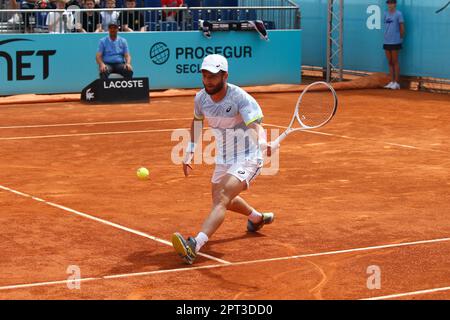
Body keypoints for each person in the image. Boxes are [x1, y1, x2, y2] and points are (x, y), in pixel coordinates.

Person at [171, 54, 275, 265]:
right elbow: (197, 121)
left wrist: (263, 143)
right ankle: (256, 218)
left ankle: (194, 245)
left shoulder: (239, 98)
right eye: (205, 75)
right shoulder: (201, 98)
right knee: (221, 199)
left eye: (213, 76)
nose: (208, 80)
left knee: (222, 197)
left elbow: (255, 125)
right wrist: (190, 151)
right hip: (224, 156)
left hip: (248, 155)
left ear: (225, 76)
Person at [383, 0, 405, 90]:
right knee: (390, 62)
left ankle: (397, 83)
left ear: (395, 4)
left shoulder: (398, 14)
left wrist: (399, 39)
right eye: (388, 3)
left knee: (395, 61)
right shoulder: (385, 14)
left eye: (391, 3)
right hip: (386, 41)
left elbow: (402, 28)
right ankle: (391, 82)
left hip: (395, 41)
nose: (390, 4)